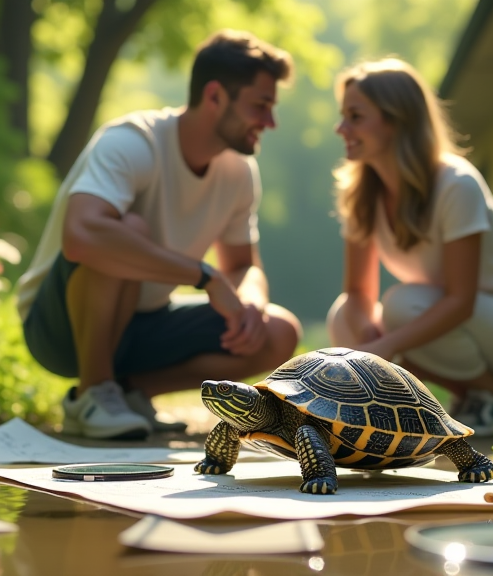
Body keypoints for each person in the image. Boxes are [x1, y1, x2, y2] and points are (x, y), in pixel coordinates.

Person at [18, 30, 302, 439]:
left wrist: (250, 301)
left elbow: (243, 266)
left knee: (278, 331)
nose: (269, 122)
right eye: (260, 106)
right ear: (215, 96)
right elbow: (82, 235)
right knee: (122, 229)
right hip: (58, 329)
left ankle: (130, 393)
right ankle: (91, 394)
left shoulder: (240, 172)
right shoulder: (133, 141)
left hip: (144, 324)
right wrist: (205, 277)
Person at [325, 58, 493, 433]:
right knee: (343, 319)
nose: (341, 128)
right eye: (343, 115)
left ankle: (492, 390)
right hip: (446, 313)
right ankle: (445, 400)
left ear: (396, 120)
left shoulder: (456, 184)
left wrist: (387, 349)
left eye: (355, 116)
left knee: (401, 306)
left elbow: (459, 301)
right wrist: (369, 344)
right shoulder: (360, 193)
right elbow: (357, 292)